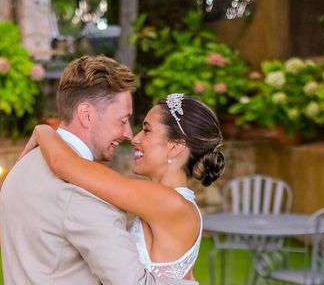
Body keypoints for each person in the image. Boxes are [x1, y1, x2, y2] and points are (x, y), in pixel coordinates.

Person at [0, 55, 204, 285]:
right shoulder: (84, 194)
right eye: (123, 120)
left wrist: (45, 131)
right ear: (86, 115)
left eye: (144, 129)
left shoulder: (23, 166)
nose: (129, 135)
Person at [19, 93, 226, 281]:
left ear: (175, 146)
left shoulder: (167, 201)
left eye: (146, 130)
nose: (135, 138)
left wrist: (44, 131)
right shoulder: (174, 204)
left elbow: (63, 164)